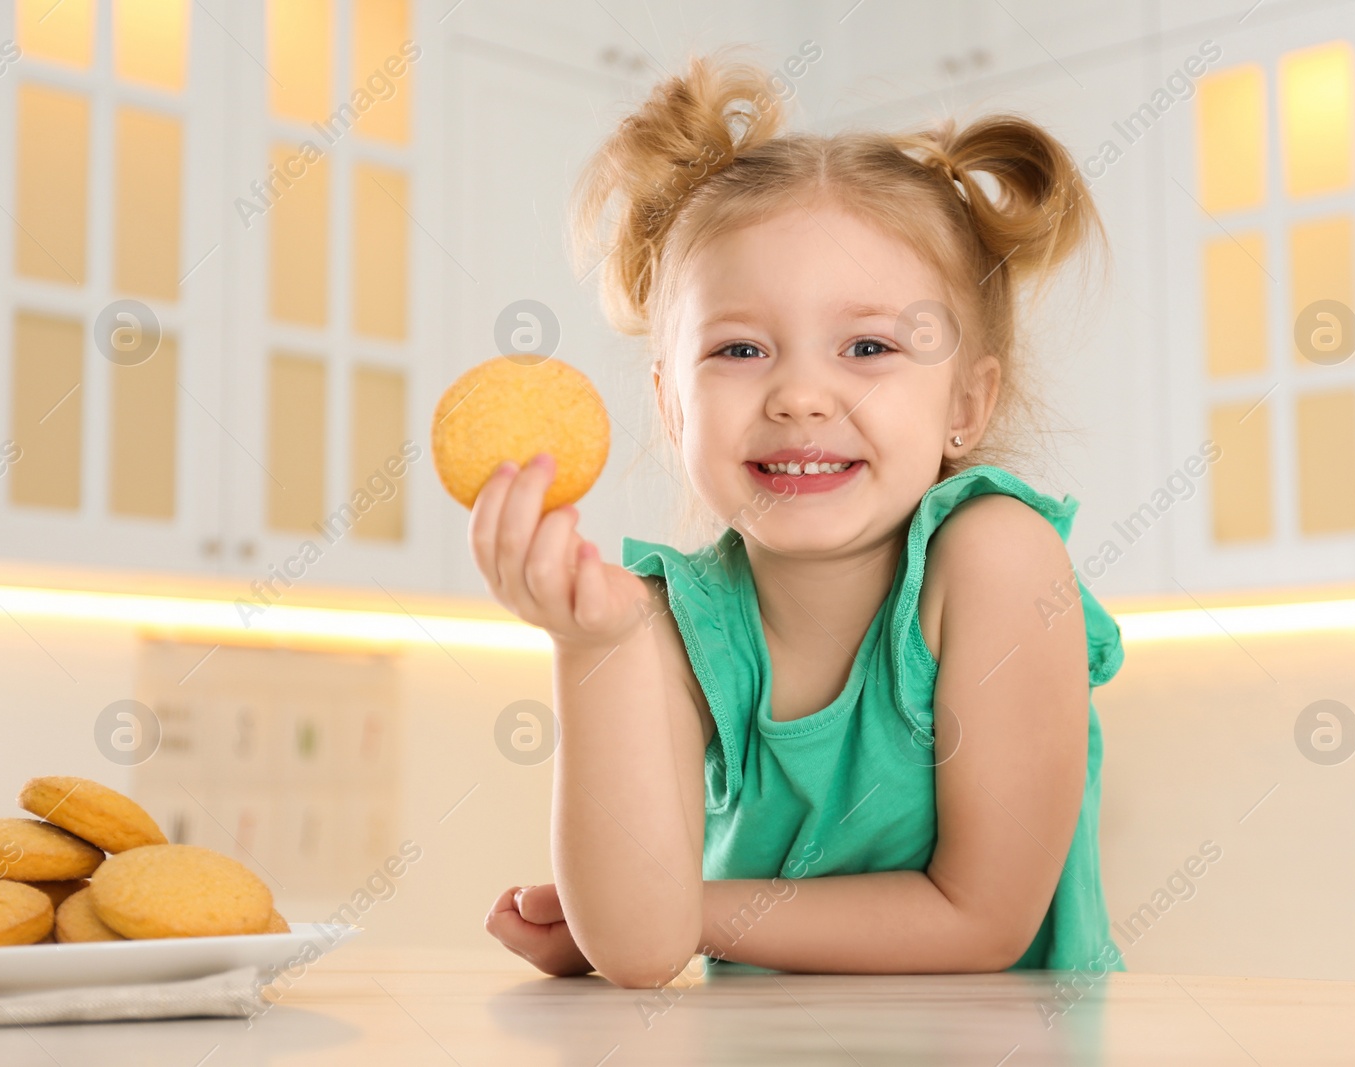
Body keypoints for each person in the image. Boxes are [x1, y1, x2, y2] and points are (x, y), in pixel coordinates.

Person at [471, 47, 1126, 990]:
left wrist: (682, 906)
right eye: (740, 347)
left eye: (867, 345)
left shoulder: (997, 561)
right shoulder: (663, 619)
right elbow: (639, 950)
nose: (801, 395)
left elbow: (980, 920)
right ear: (671, 406)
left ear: (965, 408)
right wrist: (591, 648)